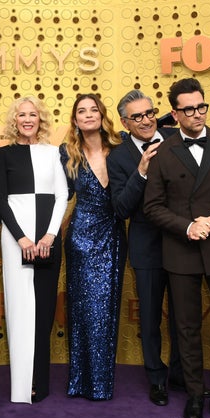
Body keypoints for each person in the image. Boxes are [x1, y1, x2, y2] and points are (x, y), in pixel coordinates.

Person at [143, 77, 210, 418]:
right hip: (180, 249)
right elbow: (153, 206)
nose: (197, 114)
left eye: (201, 106)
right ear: (175, 113)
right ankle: (193, 394)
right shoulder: (161, 152)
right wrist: (188, 226)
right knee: (186, 327)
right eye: (188, 109)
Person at [107, 89, 184, 406]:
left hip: (183, 241)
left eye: (150, 113)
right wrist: (140, 170)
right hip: (146, 245)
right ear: (125, 123)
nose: (146, 120)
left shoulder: (177, 138)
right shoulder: (119, 157)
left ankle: (182, 375)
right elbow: (121, 208)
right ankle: (156, 378)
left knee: (183, 315)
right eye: (137, 116)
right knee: (150, 317)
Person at [0, 96, 68, 403]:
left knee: (44, 310)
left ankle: (40, 381)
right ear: (14, 120)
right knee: (20, 308)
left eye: (32, 115)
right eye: (21, 115)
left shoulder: (54, 153)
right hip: (15, 240)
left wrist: (49, 236)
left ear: (40, 119)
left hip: (48, 239)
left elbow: (62, 196)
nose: (27, 120)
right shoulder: (2, 155)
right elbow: (0, 199)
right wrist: (22, 238)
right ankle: (21, 386)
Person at [62, 94, 126, 401]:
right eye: (81, 111)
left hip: (113, 235)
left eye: (93, 109)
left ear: (102, 115)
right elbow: (52, 195)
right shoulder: (67, 153)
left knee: (108, 307)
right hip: (81, 237)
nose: (88, 115)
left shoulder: (121, 148)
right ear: (75, 120)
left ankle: (101, 382)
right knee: (84, 309)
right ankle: (81, 380)